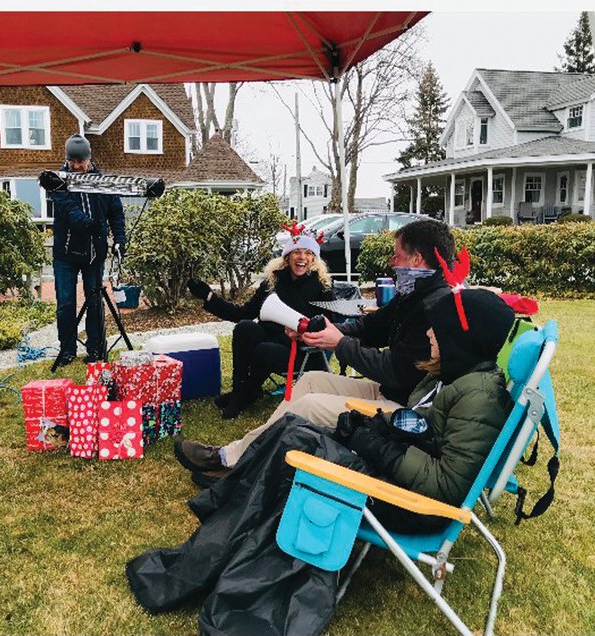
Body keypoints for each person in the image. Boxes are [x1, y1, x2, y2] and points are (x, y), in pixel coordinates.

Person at [127, 288, 516, 635]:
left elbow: (444, 487)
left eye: (438, 329)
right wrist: (372, 427)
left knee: (294, 440)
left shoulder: (475, 397)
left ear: (459, 336)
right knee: (294, 430)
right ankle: (223, 509)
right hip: (396, 478)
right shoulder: (460, 378)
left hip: (408, 505)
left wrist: (370, 441)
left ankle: (219, 525)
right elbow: (417, 427)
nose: (429, 334)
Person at [176, 218, 455, 480]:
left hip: (402, 410)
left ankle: (235, 462)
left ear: (416, 259)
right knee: (309, 381)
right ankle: (239, 451)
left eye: (396, 256)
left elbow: (396, 371)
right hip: (386, 391)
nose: (392, 263)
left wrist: (339, 343)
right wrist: (324, 332)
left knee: (308, 405)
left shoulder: (435, 307)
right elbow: (369, 327)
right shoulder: (412, 296)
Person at [186, 221, 334, 419]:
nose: (302, 257)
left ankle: (244, 394)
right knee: (244, 328)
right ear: (288, 256)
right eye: (297, 252)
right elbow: (242, 313)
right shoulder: (273, 282)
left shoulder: (321, 287)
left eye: (308, 253)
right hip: (272, 342)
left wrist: (306, 332)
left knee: (265, 350)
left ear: (313, 259)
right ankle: (242, 390)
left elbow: (328, 324)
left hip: (303, 351)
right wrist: (209, 297)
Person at [44, 134, 125, 364]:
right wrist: (88, 224)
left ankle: (96, 349)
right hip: (65, 254)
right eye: (73, 162)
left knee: (95, 302)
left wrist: (119, 239)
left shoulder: (103, 183)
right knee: (66, 303)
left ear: (89, 159)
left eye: (81, 162)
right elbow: (68, 209)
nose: (77, 167)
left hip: (94, 254)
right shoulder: (57, 181)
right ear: (67, 159)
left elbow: (116, 213)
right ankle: (67, 350)